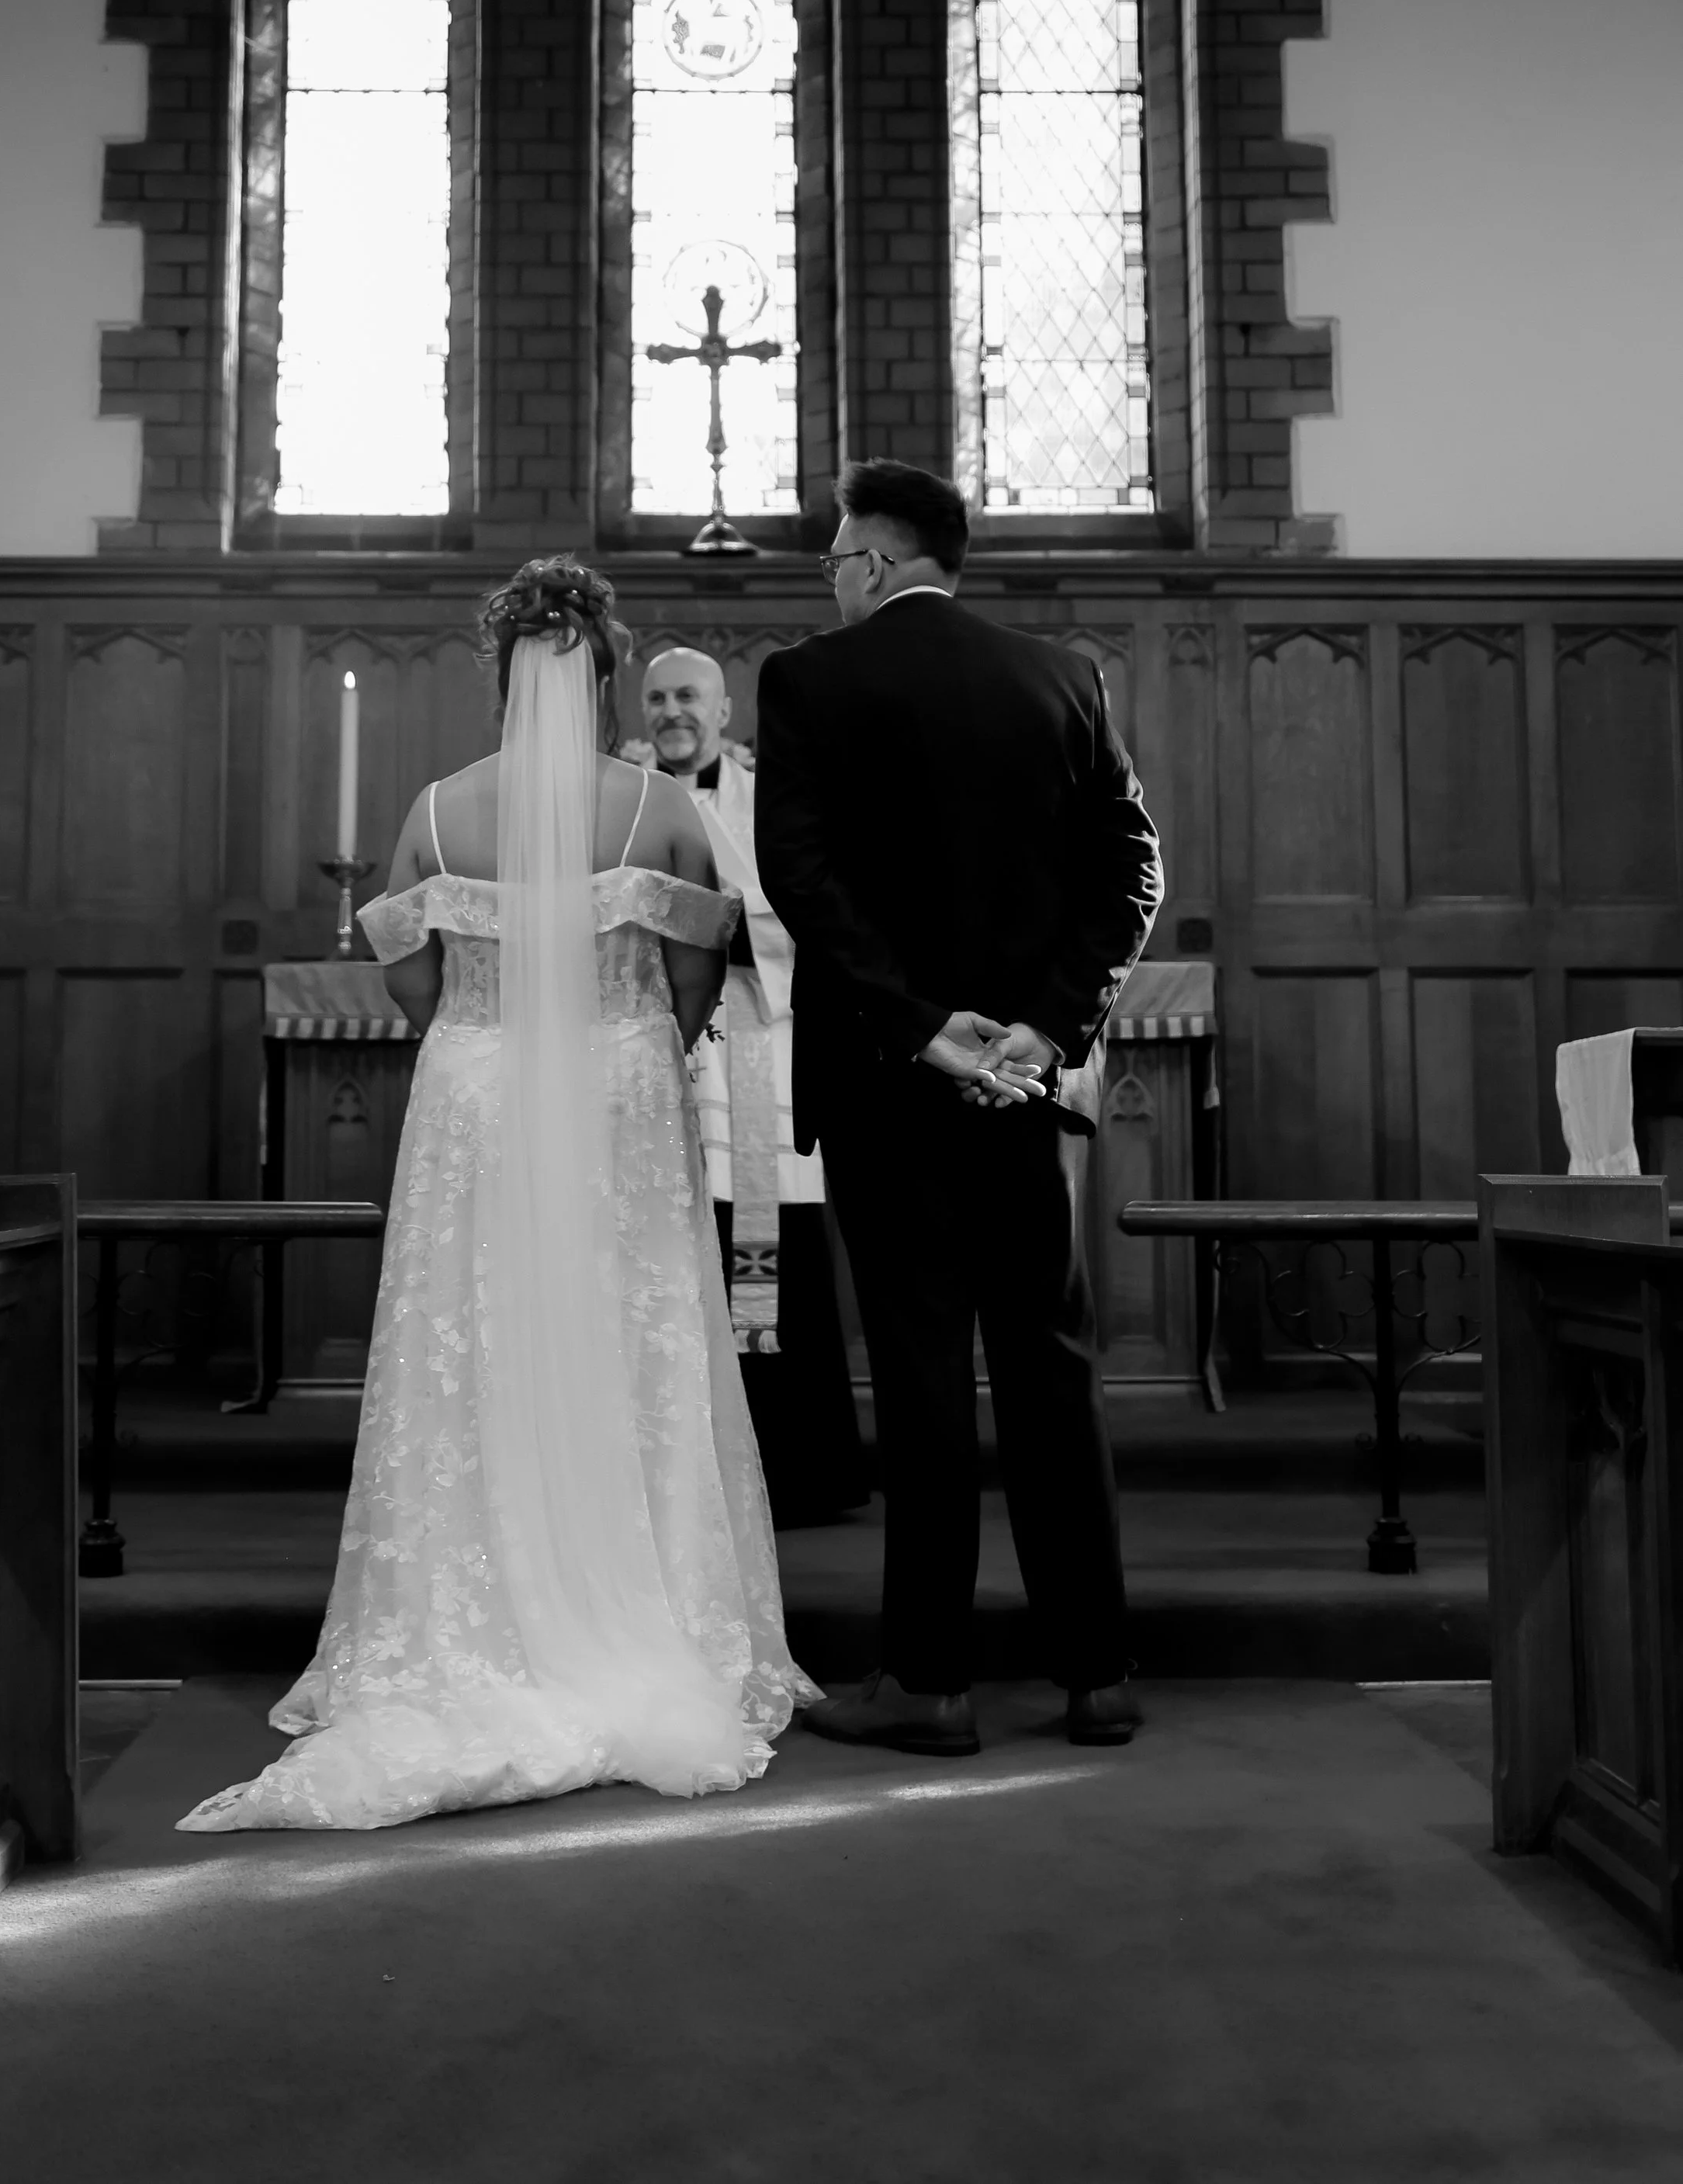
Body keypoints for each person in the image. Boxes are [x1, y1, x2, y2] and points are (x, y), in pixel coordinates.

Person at [181, 557, 816, 1832]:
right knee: (630, 1342)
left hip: (475, 1091)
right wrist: (624, 1031)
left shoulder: (435, 810)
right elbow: (696, 990)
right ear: (604, 674)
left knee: (471, 1347)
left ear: (501, 675)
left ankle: (462, 1623)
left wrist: (488, 1024)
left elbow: (409, 986)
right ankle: (637, 1608)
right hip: (619, 1093)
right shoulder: (663, 813)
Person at [754, 461, 1162, 1756]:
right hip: (1023, 1086)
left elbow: (805, 883)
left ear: (873, 560)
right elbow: (1132, 869)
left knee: (925, 1369)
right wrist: (1044, 1027)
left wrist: (928, 1032)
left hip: (890, 1086)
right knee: (1049, 1366)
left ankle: (928, 1682)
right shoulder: (1062, 678)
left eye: (833, 555)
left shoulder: (812, 681)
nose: (831, 576)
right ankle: (1094, 1671)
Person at [636, 647, 871, 1527]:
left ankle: (795, 1467)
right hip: (653, 1049)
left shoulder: (767, 796)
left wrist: (719, 923)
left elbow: (807, 908)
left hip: (751, 1051)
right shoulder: (617, 794)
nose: (672, 711)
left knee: (770, 1261)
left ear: (724, 708)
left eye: (688, 695)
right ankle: (673, 1477)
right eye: (656, 697)